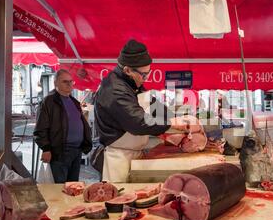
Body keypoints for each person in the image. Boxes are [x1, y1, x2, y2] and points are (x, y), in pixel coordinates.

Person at [94, 39, 192, 183]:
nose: (145, 79)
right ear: (127, 70)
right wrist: (170, 123)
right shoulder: (115, 89)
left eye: (148, 73)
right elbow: (138, 122)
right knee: (121, 199)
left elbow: (152, 106)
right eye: (143, 74)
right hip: (118, 158)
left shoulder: (132, 84)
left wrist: (176, 121)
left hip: (134, 155)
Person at [34, 69, 92, 183]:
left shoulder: (74, 101)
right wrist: (46, 149)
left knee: (73, 186)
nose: (69, 84)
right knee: (59, 188)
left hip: (76, 151)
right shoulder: (49, 102)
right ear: (55, 83)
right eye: (65, 82)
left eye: (71, 82)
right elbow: (41, 128)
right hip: (60, 152)